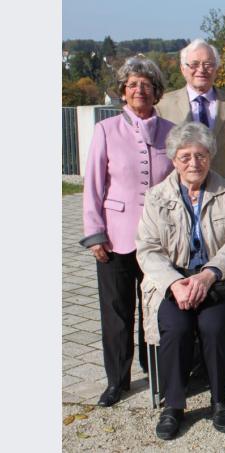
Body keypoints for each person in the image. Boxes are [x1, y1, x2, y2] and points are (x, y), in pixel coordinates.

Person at [136, 121, 225, 440]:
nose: (193, 163)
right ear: (173, 160)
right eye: (185, 157)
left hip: (217, 279)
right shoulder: (157, 196)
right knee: (177, 327)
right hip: (173, 283)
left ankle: (220, 401)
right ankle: (174, 405)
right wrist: (174, 283)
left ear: (210, 156)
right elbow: (147, 248)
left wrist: (209, 274)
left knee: (214, 326)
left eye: (200, 155)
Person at [80, 55, 174, 408]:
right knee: (117, 312)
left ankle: (157, 374)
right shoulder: (106, 130)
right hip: (115, 237)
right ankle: (116, 381)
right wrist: (94, 233)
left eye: (146, 85)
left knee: (155, 308)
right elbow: (92, 184)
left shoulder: (170, 131)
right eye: (132, 84)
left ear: (157, 92)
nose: (139, 90)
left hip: (159, 240)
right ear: (123, 91)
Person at [156, 39, 225, 182]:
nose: (201, 70)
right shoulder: (162, 106)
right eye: (194, 64)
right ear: (182, 68)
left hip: (222, 190)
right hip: (179, 192)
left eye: (208, 64)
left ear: (216, 68)